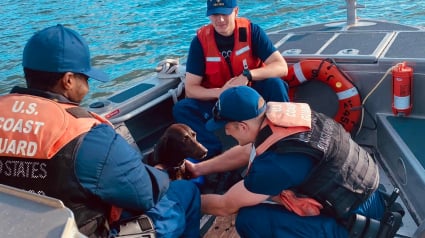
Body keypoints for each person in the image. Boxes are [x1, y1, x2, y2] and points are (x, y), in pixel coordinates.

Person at [0, 24, 200, 238]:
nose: (87, 86)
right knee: (185, 193)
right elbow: (146, 193)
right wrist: (164, 169)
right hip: (80, 232)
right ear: (68, 80)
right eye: (85, 78)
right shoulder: (86, 135)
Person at [186, 86, 403, 237]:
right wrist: (198, 169)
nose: (225, 132)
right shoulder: (285, 121)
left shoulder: (277, 164)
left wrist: (179, 198)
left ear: (242, 126)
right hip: (369, 199)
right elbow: (246, 152)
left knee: (250, 219)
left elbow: (226, 206)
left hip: (355, 229)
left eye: (226, 127)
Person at [172, 0, 290, 160]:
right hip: (219, 102)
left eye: (224, 14)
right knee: (182, 108)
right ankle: (212, 155)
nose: (219, 20)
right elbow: (191, 89)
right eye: (214, 15)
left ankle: (285, 138)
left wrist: (248, 75)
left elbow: (281, 67)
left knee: (275, 84)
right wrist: (220, 92)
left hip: (251, 97)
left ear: (235, 11)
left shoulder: (251, 32)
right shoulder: (200, 42)